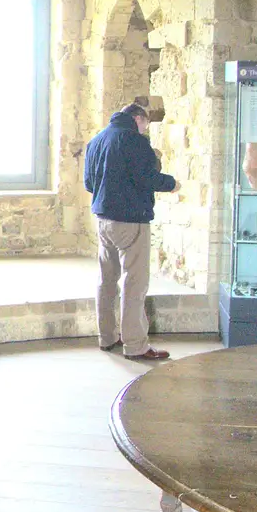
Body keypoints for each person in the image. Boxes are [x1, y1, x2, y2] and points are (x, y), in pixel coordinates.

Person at [83, 102, 180, 362]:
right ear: (138, 119)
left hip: (103, 219)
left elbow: (88, 183)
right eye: (145, 124)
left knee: (107, 280)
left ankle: (107, 337)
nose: (145, 129)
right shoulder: (135, 141)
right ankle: (135, 345)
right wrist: (172, 184)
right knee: (134, 282)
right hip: (130, 220)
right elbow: (146, 177)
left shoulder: (96, 140)